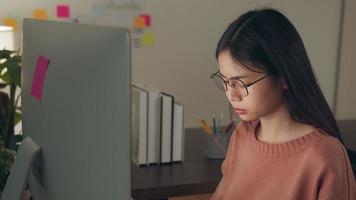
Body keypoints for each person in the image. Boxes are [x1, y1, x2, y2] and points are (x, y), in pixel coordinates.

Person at [210, 8, 356, 200]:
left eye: (242, 83)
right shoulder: (241, 136)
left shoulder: (323, 156)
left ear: (283, 77)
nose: (232, 95)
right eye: (226, 81)